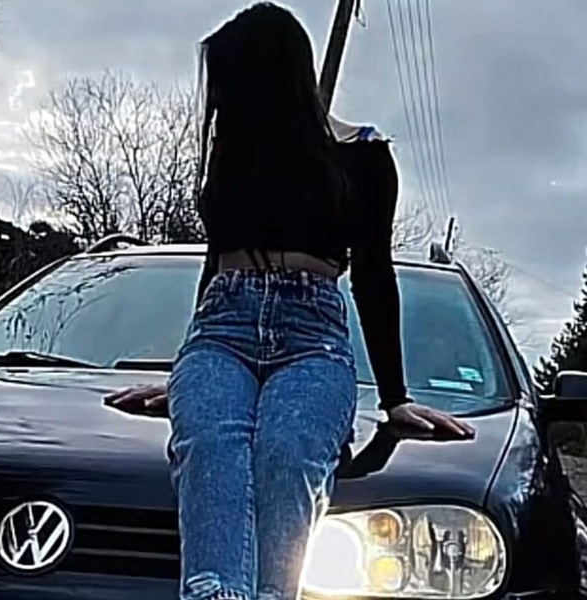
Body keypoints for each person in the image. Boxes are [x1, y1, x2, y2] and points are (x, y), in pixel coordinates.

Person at [104, 4, 474, 600]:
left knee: (289, 451)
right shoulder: (234, 155)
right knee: (211, 446)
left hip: (313, 341)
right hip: (220, 332)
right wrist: (184, 376)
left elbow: (373, 274)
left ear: (268, 78)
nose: (223, 101)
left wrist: (395, 396)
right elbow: (215, 263)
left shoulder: (364, 156)